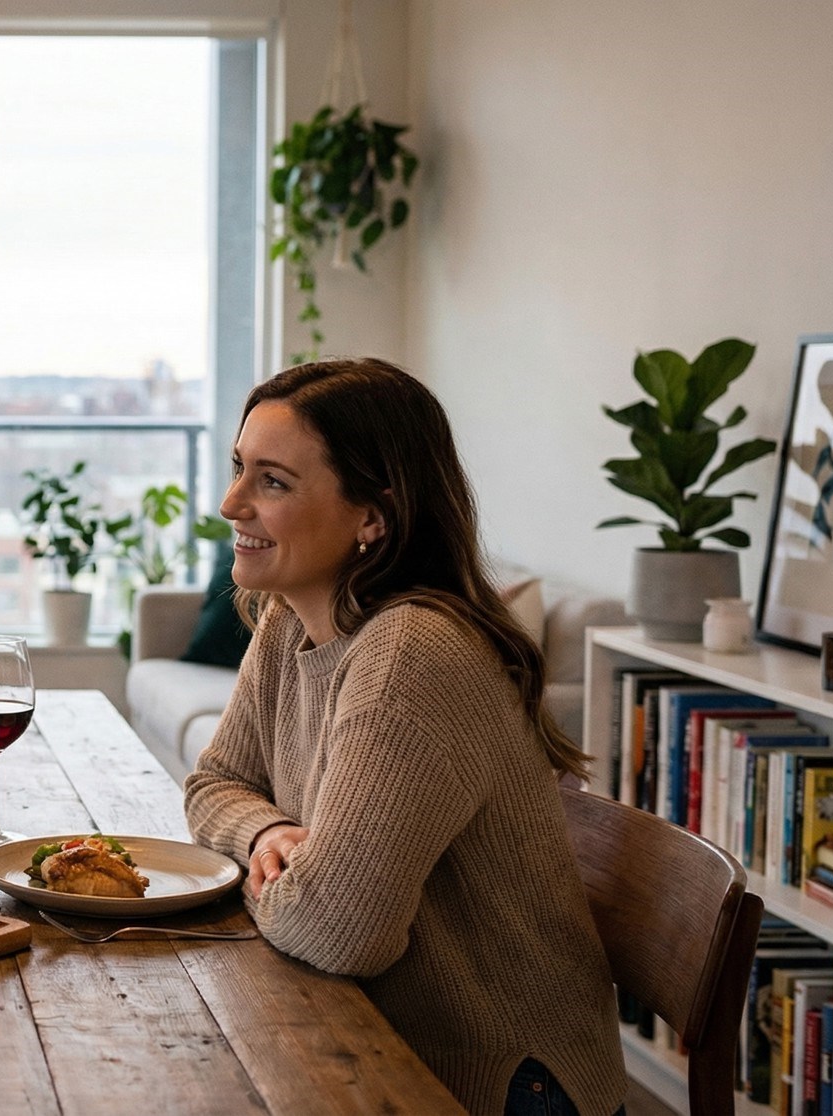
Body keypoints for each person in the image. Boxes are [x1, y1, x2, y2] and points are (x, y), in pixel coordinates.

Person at [181, 358, 626, 1116]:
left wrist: (295, 878)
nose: (230, 504)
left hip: (499, 1083)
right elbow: (213, 783)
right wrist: (270, 835)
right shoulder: (290, 619)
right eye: (238, 470)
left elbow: (336, 931)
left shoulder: (411, 656)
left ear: (373, 516)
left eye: (273, 482)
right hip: (375, 1039)